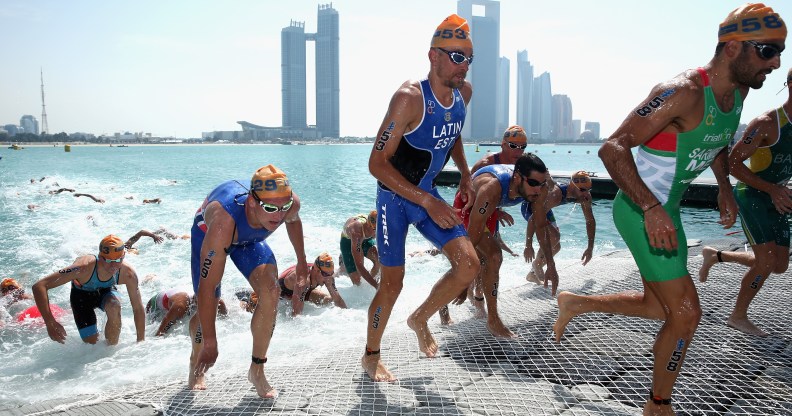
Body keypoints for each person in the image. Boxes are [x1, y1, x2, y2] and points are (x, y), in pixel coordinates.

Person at [553, 5, 785, 414]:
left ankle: (576, 302)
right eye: (767, 51)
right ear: (732, 48)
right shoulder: (682, 92)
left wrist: (725, 188)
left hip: (668, 210)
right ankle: (658, 404)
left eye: (780, 51)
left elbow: (716, 141)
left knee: (657, 306)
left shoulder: (738, 92)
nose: (776, 62)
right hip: (641, 211)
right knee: (686, 314)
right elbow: (613, 148)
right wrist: (650, 208)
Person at [363, 14, 480, 383]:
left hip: (428, 193)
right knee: (392, 283)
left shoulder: (464, 93)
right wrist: (428, 201)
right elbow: (376, 163)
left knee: (468, 265)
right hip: (393, 199)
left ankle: (420, 318)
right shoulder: (409, 98)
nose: (464, 66)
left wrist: (463, 172)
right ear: (434, 56)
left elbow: (453, 132)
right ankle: (371, 355)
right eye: (456, 56)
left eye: (468, 58)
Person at [188, 164, 307, 399]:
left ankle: (257, 370)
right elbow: (207, 288)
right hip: (212, 234)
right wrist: (211, 342)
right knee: (209, 302)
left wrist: (302, 262)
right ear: (252, 202)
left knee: (271, 292)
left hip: (249, 239)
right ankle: (196, 360)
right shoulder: (223, 222)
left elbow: (293, 221)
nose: (279, 216)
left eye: (283, 208)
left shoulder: (288, 203)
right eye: (271, 208)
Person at [698, 67, 792, 337]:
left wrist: (780, 191)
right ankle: (738, 316)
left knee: (779, 265)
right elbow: (733, 164)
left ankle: (715, 256)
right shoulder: (766, 123)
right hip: (752, 194)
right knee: (765, 262)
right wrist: (772, 189)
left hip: (776, 197)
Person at [446, 154, 554, 338]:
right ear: (518, 177)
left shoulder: (538, 189)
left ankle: (492, 319)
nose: (539, 189)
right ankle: (446, 305)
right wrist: (464, 281)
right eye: (534, 183)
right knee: (485, 258)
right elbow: (474, 231)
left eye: (542, 184)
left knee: (490, 259)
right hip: (467, 205)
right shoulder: (491, 188)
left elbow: (541, 226)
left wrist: (551, 265)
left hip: (490, 207)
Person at [31, 235, 146, 345]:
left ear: (123, 256)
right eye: (108, 261)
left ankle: (111, 351)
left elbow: (138, 308)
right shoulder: (82, 268)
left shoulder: (128, 274)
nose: (113, 266)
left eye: (117, 260)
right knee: (92, 346)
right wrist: (50, 322)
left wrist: (141, 342)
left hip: (106, 292)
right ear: (100, 257)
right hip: (81, 298)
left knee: (114, 306)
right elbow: (39, 286)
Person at [523, 171, 596, 284]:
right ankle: (537, 265)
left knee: (556, 247)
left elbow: (590, 220)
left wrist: (590, 247)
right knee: (555, 237)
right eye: (582, 190)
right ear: (572, 186)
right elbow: (533, 218)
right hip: (531, 208)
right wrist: (528, 245)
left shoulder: (584, 196)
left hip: (545, 209)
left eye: (588, 190)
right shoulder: (556, 194)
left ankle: (532, 274)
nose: (585, 194)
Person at [278, 252, 347, 316]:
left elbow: (338, 301)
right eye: (325, 274)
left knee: (329, 301)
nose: (328, 278)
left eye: (331, 273)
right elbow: (296, 314)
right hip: (279, 295)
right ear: (316, 271)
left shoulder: (327, 277)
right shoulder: (303, 280)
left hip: (302, 291)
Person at [146, 288, 227, 336]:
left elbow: (226, 321)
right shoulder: (180, 306)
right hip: (155, 306)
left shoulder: (218, 302)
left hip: (176, 297)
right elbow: (160, 333)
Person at [339, 211, 380, 288]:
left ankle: (370, 284)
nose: (377, 233)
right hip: (348, 241)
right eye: (376, 230)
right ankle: (342, 267)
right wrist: (377, 286)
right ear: (369, 226)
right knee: (358, 282)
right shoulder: (356, 233)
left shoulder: (376, 228)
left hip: (364, 238)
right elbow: (359, 265)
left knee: (379, 260)